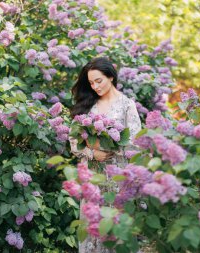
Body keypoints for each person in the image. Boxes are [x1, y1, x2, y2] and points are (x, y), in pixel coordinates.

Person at [69, 57, 141, 253]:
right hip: (92, 177)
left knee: (115, 229)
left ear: (110, 76)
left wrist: (110, 149)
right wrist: (92, 152)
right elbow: (74, 142)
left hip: (117, 178)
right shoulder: (88, 105)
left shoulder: (127, 105)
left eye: (98, 81)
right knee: (92, 226)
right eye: (91, 83)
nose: (94, 86)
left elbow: (135, 144)